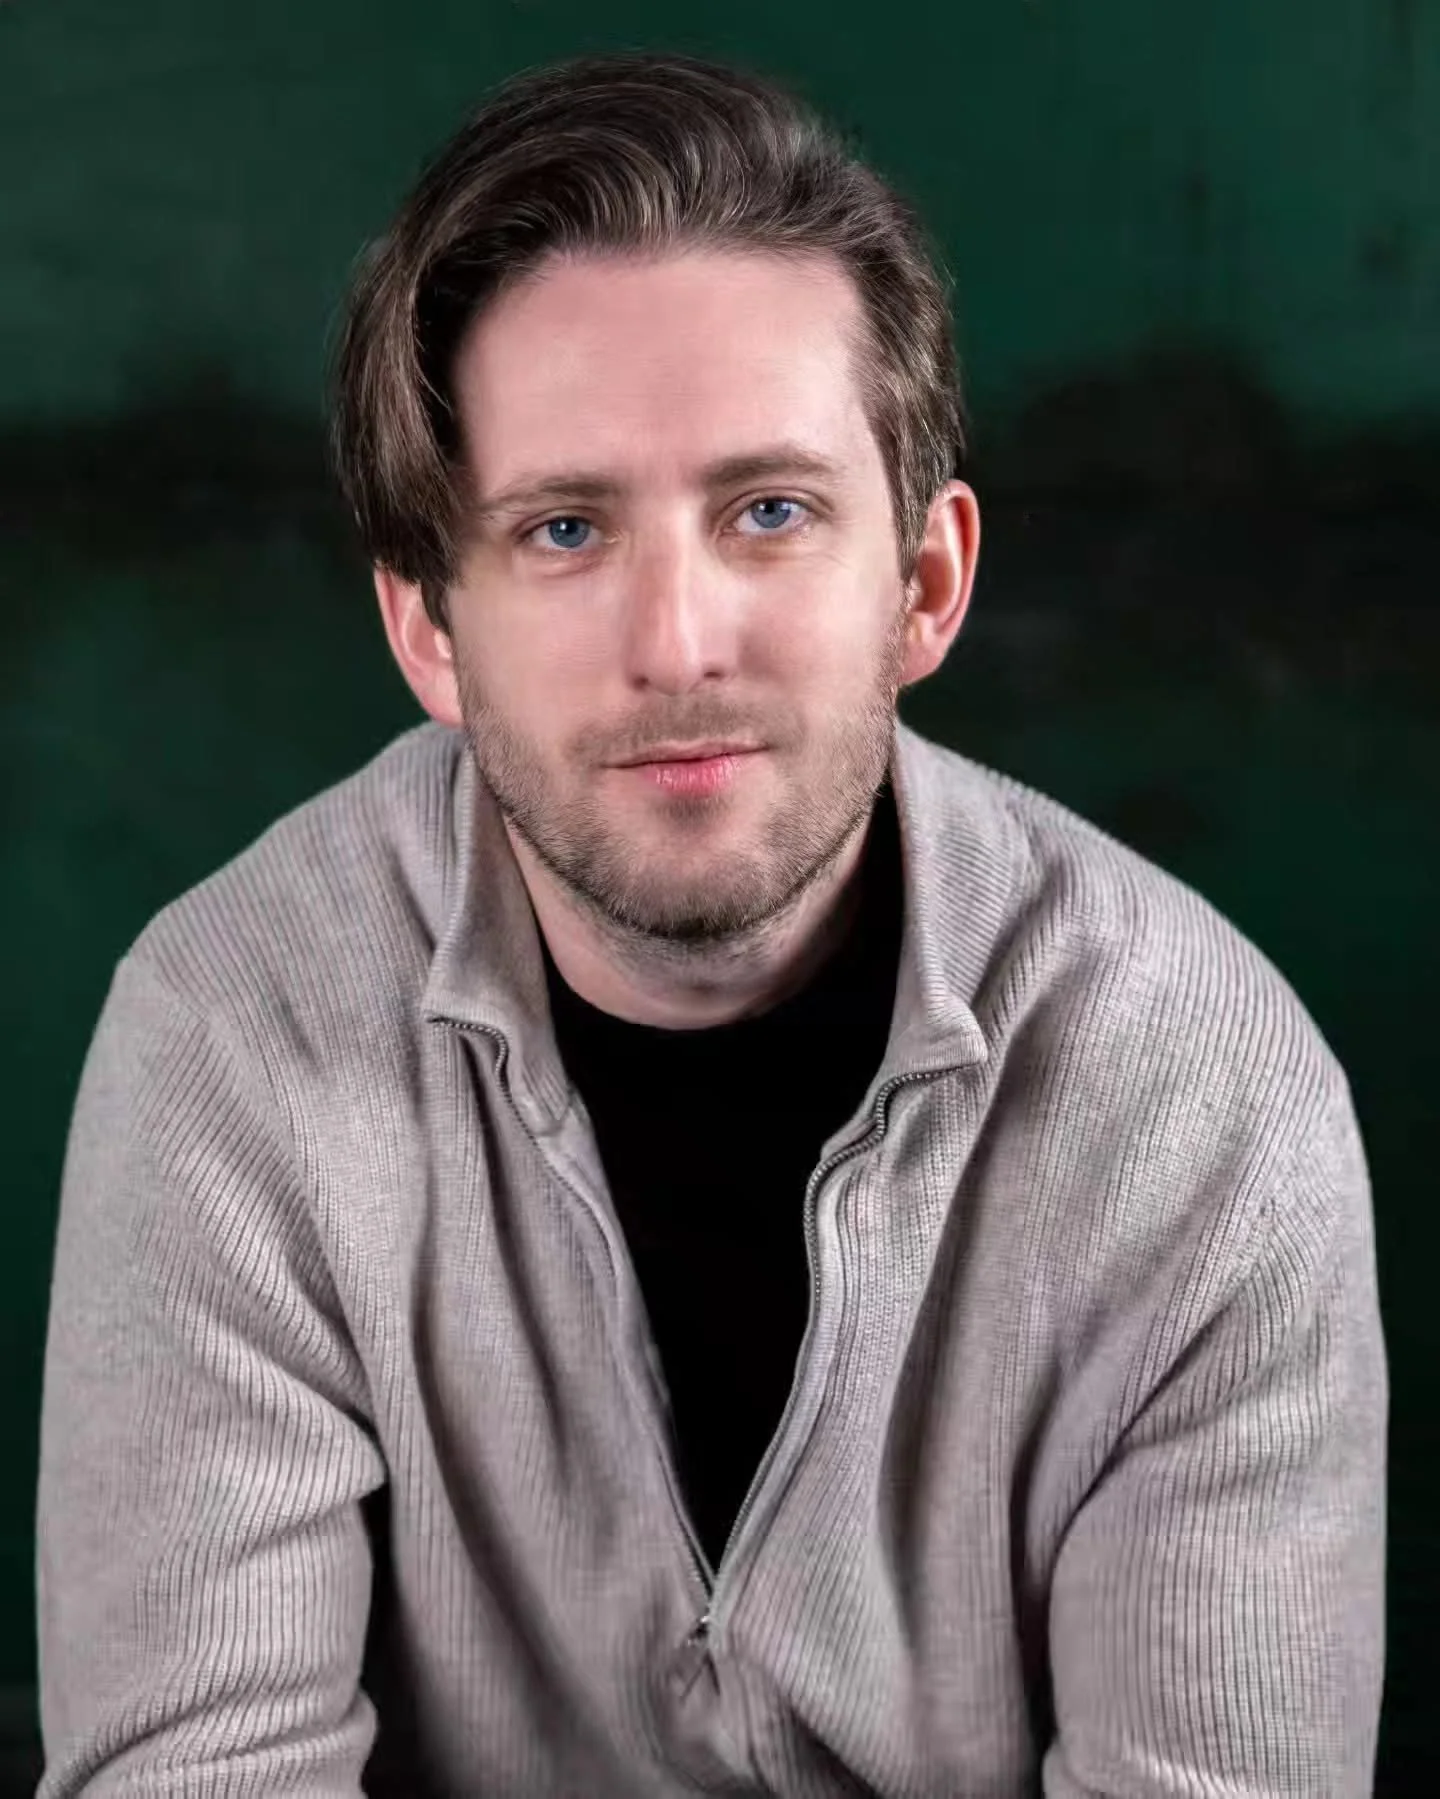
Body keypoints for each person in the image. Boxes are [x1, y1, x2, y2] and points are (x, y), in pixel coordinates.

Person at [36, 50, 1387, 1798]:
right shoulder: (228, 1036)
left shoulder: (1207, 1097)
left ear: (926, 581)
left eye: (770, 511)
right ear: (429, 629)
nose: (677, 643)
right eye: (565, 528)